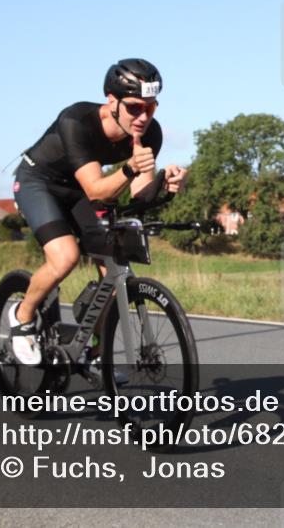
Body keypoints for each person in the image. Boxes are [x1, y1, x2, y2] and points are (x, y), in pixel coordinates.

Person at [10, 58, 188, 365]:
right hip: (39, 182)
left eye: (151, 107)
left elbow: (139, 195)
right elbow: (96, 189)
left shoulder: (149, 134)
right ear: (112, 101)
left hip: (81, 190)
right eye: (134, 107)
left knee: (114, 266)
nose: (143, 117)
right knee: (65, 257)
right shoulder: (77, 121)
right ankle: (22, 317)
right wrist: (130, 168)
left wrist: (163, 184)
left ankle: (91, 348)